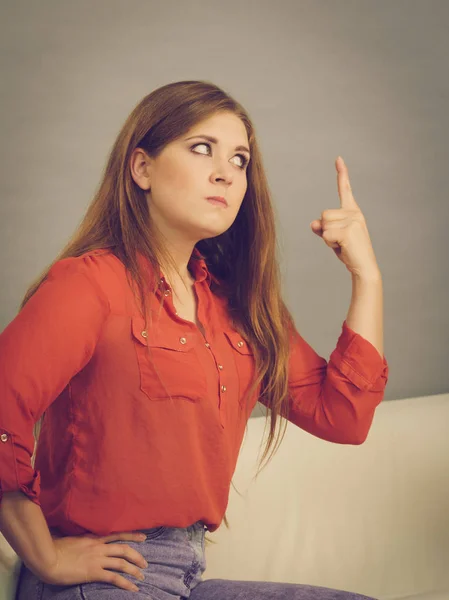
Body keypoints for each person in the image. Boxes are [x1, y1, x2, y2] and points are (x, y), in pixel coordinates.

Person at [0, 80, 388, 599]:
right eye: (201, 148)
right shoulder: (90, 284)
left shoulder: (238, 309)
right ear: (142, 168)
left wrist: (367, 277)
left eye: (240, 159)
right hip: (102, 578)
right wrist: (45, 555)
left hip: (184, 576)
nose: (225, 171)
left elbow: (343, 415)